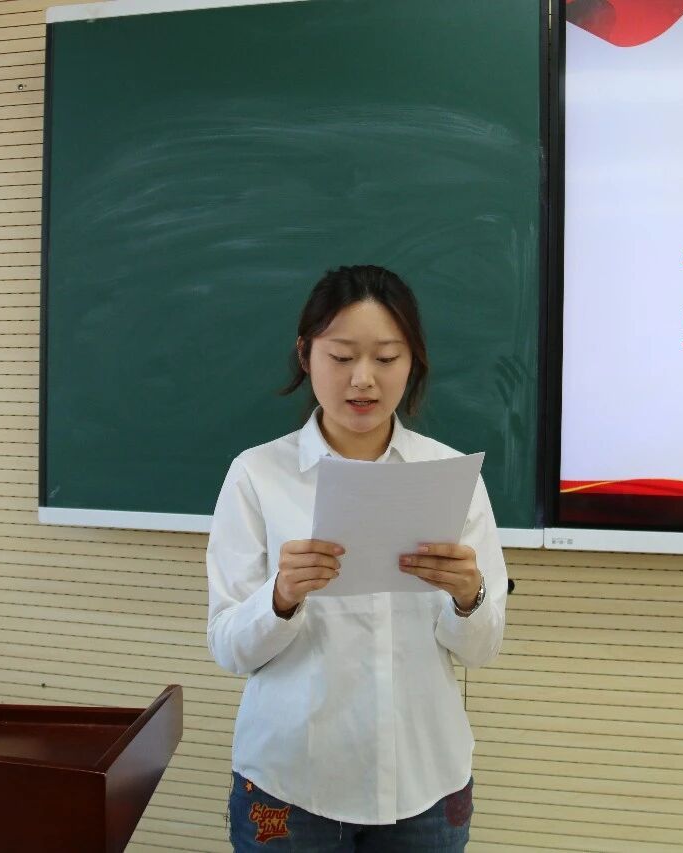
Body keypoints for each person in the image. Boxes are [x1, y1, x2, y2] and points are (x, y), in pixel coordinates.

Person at [206, 265, 508, 852]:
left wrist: (468, 597)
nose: (363, 379)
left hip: (424, 781)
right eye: (342, 357)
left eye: (386, 358)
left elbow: (482, 650)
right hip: (292, 782)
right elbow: (228, 647)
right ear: (305, 354)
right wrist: (280, 598)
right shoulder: (257, 475)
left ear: (412, 361)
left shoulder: (450, 477)